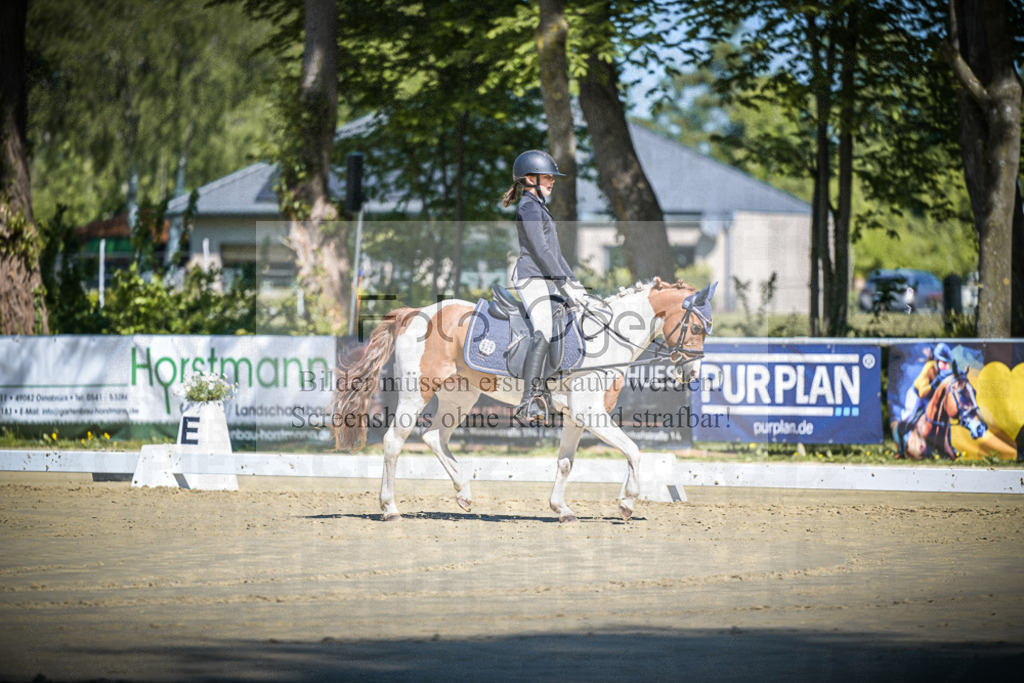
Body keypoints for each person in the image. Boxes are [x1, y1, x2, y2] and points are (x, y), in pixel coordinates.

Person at [502, 150, 590, 423]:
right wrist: (563, 283)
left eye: (553, 177)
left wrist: (574, 283)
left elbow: (556, 254)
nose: (552, 181)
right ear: (531, 179)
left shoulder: (540, 207)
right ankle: (528, 400)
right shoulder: (528, 207)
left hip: (546, 277)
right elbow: (540, 251)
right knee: (543, 327)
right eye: (548, 177)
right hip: (532, 278)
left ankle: (554, 387)